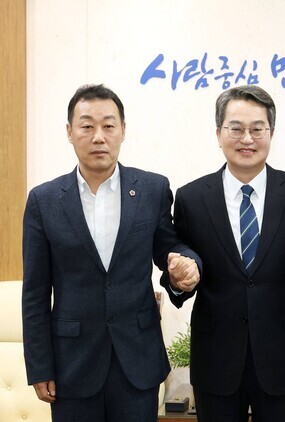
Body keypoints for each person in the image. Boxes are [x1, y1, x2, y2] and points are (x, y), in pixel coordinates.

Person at [22, 84, 201, 421]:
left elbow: (169, 248)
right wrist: (39, 365)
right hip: (71, 364)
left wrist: (184, 264)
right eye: (87, 126)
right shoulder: (43, 201)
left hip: (137, 360)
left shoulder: (152, 189)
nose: (98, 137)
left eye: (108, 125)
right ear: (70, 132)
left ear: (123, 130)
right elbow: (34, 292)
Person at [161, 85, 285, 422]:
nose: (247, 139)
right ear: (218, 133)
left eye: (258, 129)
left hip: (282, 356)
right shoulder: (191, 198)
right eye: (236, 128)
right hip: (216, 357)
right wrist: (179, 280)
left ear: (271, 132)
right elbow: (182, 264)